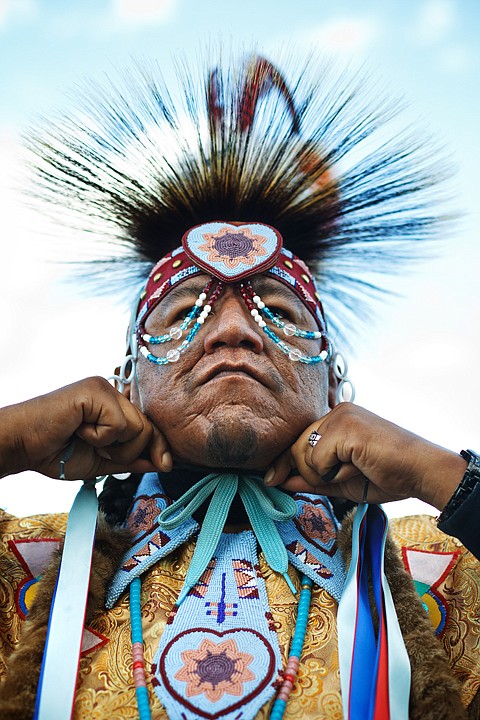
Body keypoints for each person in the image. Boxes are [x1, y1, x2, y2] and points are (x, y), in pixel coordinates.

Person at [0, 53, 478, 719]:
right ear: (125, 383)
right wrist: (12, 439)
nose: (234, 332)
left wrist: (446, 476)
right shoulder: (29, 567)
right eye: (185, 310)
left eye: (279, 313)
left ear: (337, 389)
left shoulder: (442, 571)